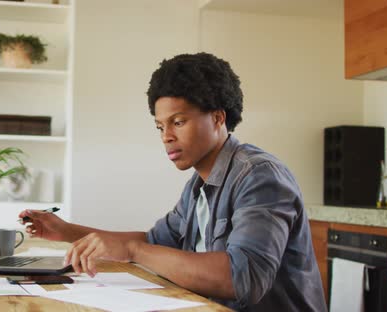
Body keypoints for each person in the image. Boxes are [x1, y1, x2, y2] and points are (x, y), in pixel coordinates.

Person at [19, 53, 326, 311]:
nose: (166, 136)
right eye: (160, 126)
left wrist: (132, 250)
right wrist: (67, 231)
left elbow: (242, 278)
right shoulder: (197, 187)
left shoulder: (259, 176)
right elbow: (155, 243)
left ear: (218, 118)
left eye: (178, 122)